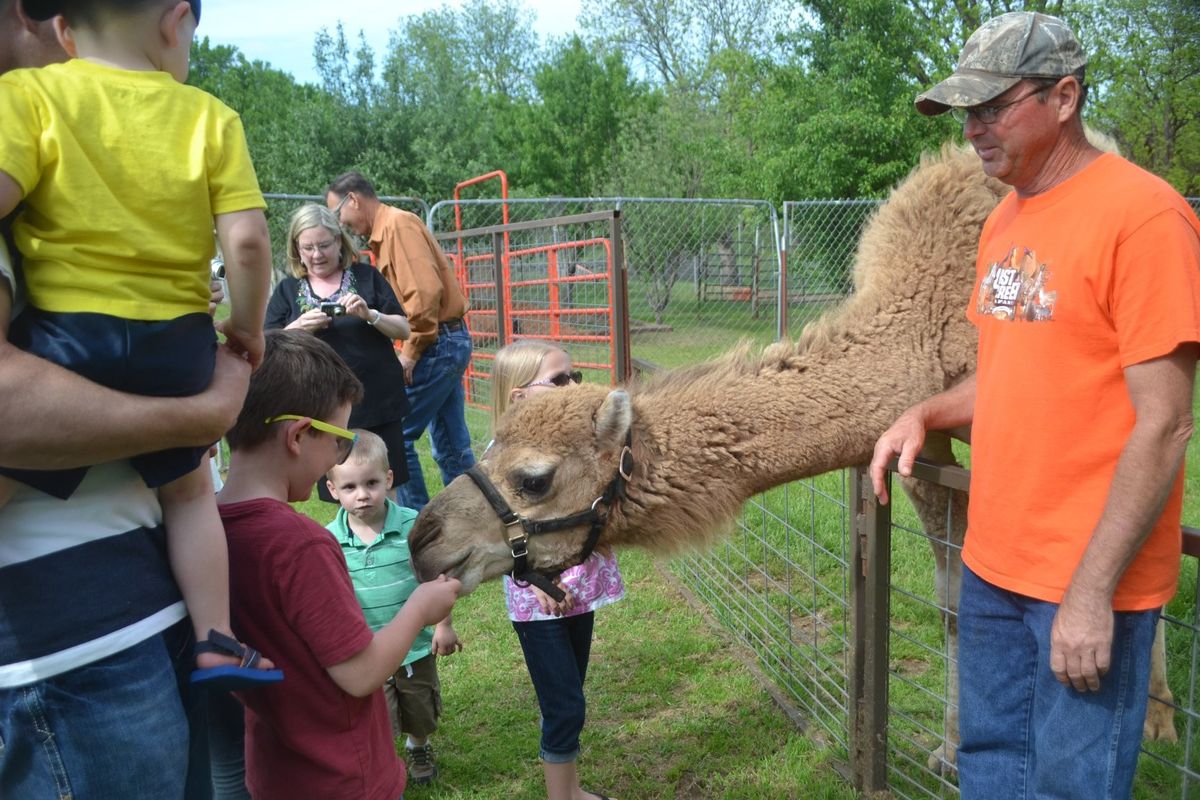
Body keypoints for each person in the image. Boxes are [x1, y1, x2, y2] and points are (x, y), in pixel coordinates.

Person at [869, 12, 1200, 798]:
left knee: (1068, 784)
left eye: (993, 107)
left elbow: (1165, 424)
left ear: (1064, 98)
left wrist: (1092, 597)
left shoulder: (1145, 219)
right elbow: (1015, 373)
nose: (974, 129)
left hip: (1086, 583)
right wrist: (930, 413)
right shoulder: (1004, 222)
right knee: (991, 773)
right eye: (965, 113)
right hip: (994, 569)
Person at [0, 2, 259, 797]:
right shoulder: (211, 116)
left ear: (63, 28)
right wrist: (244, 334)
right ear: (176, 21)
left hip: (67, 337)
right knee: (187, 493)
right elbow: (246, 243)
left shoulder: (34, 97)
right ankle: (218, 637)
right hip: (179, 346)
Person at [218, 329, 461, 800]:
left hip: (274, 769)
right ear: (298, 436)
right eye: (339, 442)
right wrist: (419, 608)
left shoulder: (205, 528)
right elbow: (360, 673)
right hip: (341, 775)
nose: (340, 456)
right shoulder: (302, 545)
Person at [491, 339, 625, 800]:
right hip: (539, 604)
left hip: (579, 592)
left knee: (571, 694)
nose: (572, 386)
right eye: (559, 380)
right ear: (520, 396)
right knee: (564, 705)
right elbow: (499, 531)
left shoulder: (572, 444)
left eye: (575, 376)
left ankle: (571, 791)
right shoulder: (502, 459)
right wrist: (536, 580)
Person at [326, 171, 475, 509]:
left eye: (338, 214)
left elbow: (423, 297)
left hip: (436, 345)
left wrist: (409, 353)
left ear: (353, 200)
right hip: (446, 342)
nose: (341, 224)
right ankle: (472, 516)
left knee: (396, 438)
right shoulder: (387, 232)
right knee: (452, 445)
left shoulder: (397, 227)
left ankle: (416, 524)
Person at [325, 429, 463, 785]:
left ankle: (419, 745)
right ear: (332, 490)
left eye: (371, 483)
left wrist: (444, 625)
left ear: (389, 479)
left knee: (420, 709)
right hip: (366, 651)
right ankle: (383, 762)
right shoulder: (328, 540)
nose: (362, 496)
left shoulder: (412, 526)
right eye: (349, 488)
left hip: (415, 647)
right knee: (378, 716)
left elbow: (438, 577)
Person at [267, 203, 411, 503]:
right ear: (296, 248)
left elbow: (403, 329)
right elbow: (266, 345)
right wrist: (296, 327)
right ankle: (346, 548)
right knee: (342, 490)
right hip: (320, 408)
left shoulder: (367, 277)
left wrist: (370, 315)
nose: (317, 255)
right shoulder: (287, 290)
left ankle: (395, 547)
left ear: (339, 242)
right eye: (308, 247)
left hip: (377, 403)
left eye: (324, 245)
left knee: (383, 486)